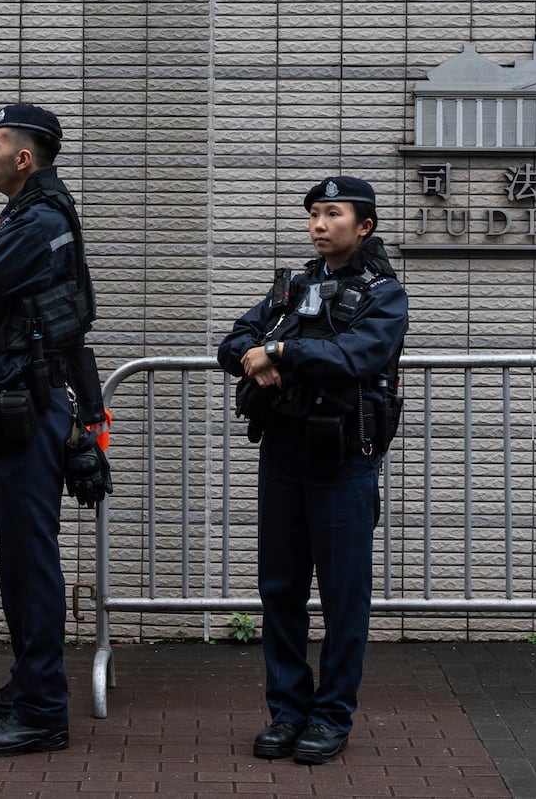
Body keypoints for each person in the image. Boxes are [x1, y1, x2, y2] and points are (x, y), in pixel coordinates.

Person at [216, 176, 408, 766]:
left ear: (364, 225)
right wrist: (257, 355)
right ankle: (288, 712)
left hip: (345, 459)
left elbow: (352, 358)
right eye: (314, 215)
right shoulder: (292, 285)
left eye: (333, 214)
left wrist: (278, 353)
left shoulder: (383, 293)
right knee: (281, 590)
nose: (319, 225)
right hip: (284, 452)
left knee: (344, 595)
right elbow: (233, 342)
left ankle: (331, 717)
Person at [0, 104, 110, 758]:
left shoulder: (37, 220)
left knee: (29, 555)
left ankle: (42, 708)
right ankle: (28, 681)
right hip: (28, 401)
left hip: (29, 405)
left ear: (23, 157)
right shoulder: (40, 213)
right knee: (20, 554)